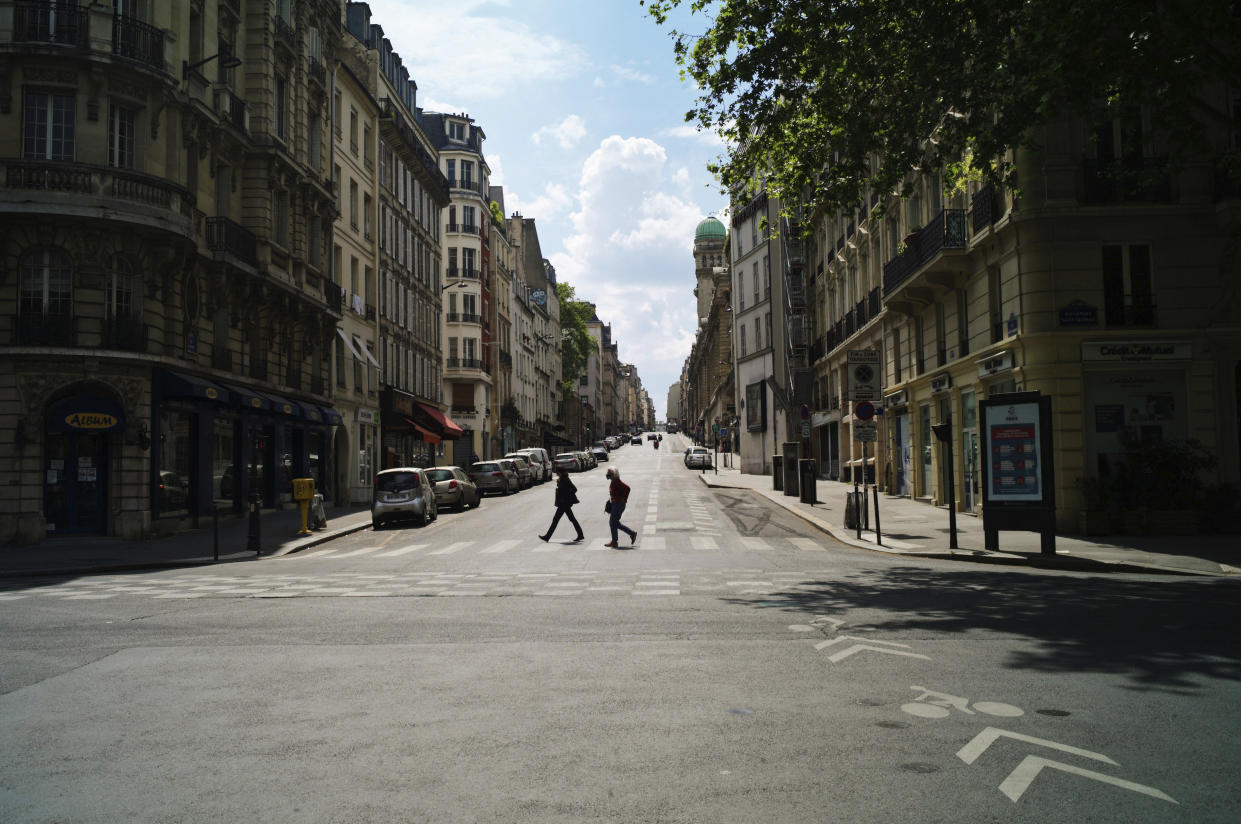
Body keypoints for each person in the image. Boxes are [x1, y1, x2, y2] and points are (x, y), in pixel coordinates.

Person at [539, 468, 584, 543]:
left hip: (564, 503)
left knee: (556, 519)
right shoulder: (563, 479)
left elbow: (574, 489)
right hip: (564, 503)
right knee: (571, 519)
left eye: (557, 472)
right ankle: (580, 534)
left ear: (561, 472)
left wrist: (566, 495)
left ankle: (547, 536)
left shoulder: (565, 479)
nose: (557, 474)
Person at [604, 467, 638, 548]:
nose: (608, 475)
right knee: (615, 523)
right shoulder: (613, 481)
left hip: (618, 504)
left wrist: (624, 499)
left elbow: (627, 488)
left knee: (612, 523)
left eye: (609, 474)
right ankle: (631, 533)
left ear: (614, 474)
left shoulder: (616, 481)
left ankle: (615, 541)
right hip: (616, 504)